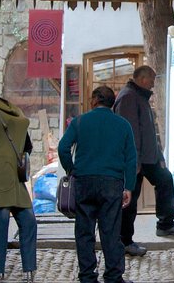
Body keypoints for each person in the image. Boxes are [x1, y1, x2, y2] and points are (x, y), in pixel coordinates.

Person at [59, 86, 137, 283]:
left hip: (84, 181)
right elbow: (131, 158)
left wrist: (71, 169)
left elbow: (63, 148)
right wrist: (129, 186)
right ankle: (113, 275)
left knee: (84, 231)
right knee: (110, 231)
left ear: (94, 100)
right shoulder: (123, 125)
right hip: (112, 182)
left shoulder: (79, 121)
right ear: (112, 102)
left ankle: (87, 276)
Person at [114, 66, 174, 258]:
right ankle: (125, 241)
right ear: (143, 79)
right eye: (152, 79)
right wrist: (134, 162)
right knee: (130, 199)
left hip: (148, 156)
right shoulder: (129, 97)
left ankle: (165, 223)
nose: (154, 83)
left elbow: (149, 131)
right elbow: (130, 132)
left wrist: (159, 156)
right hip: (136, 159)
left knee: (164, 180)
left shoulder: (140, 96)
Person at [0, 96, 37, 282]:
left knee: (27, 219)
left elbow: (27, 145)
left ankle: (28, 269)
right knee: (3, 217)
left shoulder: (17, 114)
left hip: (13, 171)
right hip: (1, 169)